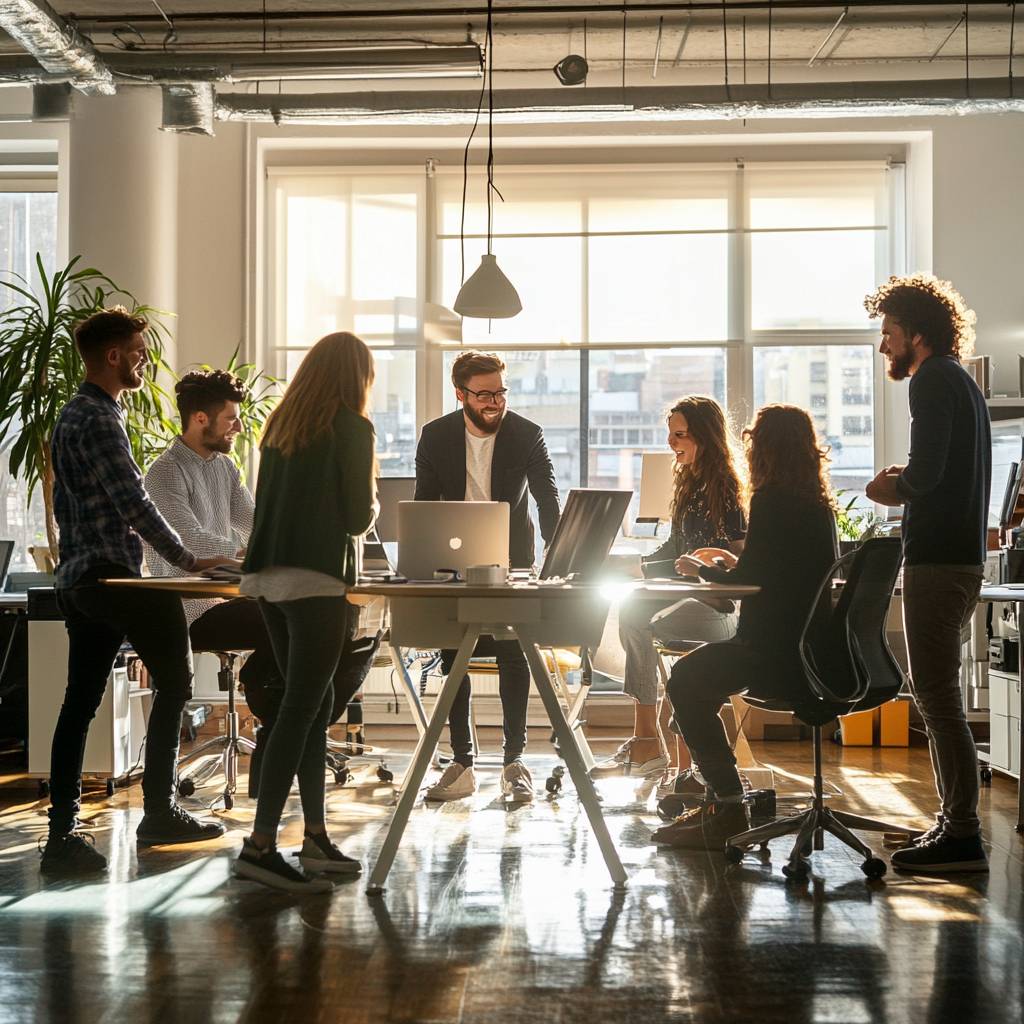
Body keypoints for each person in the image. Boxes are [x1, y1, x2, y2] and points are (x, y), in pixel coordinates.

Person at [41, 308, 228, 876]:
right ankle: (159, 811)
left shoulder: (74, 415)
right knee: (176, 680)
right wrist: (190, 562)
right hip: (110, 578)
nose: (146, 359)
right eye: (140, 351)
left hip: (80, 579)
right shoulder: (98, 418)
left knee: (78, 704)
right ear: (115, 356)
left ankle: (62, 835)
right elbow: (135, 504)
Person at [146, 369, 379, 799]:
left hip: (233, 597)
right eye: (230, 418)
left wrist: (279, 550)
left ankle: (283, 709)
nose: (238, 426)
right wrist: (254, 558)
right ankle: (276, 708)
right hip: (191, 609)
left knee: (338, 615)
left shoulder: (225, 468)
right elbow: (187, 542)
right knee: (296, 616)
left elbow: (257, 525)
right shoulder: (165, 473)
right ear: (200, 419)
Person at [652, 405, 838, 850]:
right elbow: (768, 571)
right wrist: (733, 565)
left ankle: (727, 804)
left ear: (768, 448)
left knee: (685, 680)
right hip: (813, 651)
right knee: (698, 682)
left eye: (754, 442)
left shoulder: (772, 499)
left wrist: (701, 569)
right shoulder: (818, 506)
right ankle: (718, 797)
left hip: (771, 651)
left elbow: (749, 580)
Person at [236, 331, 376, 894]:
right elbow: (356, 517)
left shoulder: (281, 428)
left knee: (310, 706)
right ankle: (261, 844)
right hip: (317, 580)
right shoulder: (352, 426)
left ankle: (314, 837)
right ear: (355, 377)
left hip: (267, 578)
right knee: (300, 709)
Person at [864, 273, 990, 874]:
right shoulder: (961, 383)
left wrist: (890, 486)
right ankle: (952, 824)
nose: (884, 345)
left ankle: (961, 834)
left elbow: (927, 475)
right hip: (960, 558)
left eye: (888, 333)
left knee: (937, 699)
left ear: (916, 332)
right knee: (940, 696)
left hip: (937, 561)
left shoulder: (931, 381)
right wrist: (909, 475)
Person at [415, 350, 560, 803]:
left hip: (512, 562)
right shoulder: (435, 437)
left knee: (513, 657)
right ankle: (462, 764)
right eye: (484, 394)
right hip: (452, 564)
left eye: (500, 391)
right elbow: (423, 506)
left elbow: (547, 499)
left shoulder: (526, 435)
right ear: (461, 395)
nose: (495, 401)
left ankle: (514, 763)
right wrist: (423, 564)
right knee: (453, 658)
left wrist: (556, 558)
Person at [593, 396, 746, 786]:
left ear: (705, 437)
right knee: (621, 609)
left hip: (719, 607)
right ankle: (656, 748)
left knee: (632, 614)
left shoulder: (724, 487)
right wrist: (632, 565)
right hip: (687, 600)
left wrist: (644, 570)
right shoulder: (689, 483)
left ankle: (647, 741)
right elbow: (675, 550)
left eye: (679, 434)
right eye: (670, 433)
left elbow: (721, 557)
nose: (670, 442)